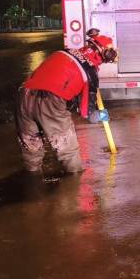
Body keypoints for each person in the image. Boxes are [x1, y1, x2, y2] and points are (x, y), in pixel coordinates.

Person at [15, 28, 117, 175]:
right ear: (104, 55)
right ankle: (74, 183)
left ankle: (33, 181)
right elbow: (87, 114)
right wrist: (100, 115)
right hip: (51, 101)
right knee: (68, 151)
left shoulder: (64, 52)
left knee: (31, 148)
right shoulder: (90, 72)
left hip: (24, 94)